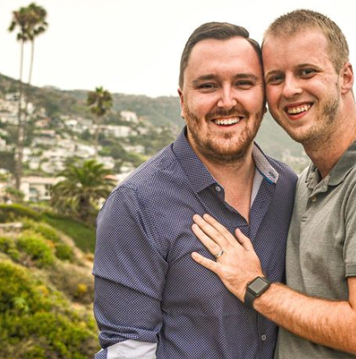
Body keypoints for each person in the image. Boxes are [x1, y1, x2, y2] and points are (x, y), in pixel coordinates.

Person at [191, 9, 356, 359]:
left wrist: (254, 286)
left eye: (306, 72)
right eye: (276, 78)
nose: (290, 90)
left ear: (345, 77)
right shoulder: (304, 181)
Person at [92, 22, 297, 359]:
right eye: (208, 85)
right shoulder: (136, 205)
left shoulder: (289, 188)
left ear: (263, 96)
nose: (227, 101)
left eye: (243, 83)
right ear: (182, 99)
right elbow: (129, 352)